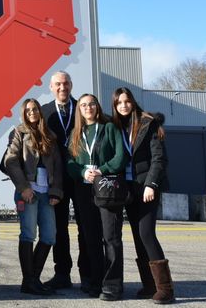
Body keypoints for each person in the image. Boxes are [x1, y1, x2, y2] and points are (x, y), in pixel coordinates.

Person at [111, 87, 174, 304]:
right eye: (119, 102)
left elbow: (159, 159)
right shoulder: (116, 126)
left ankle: (165, 289)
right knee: (138, 236)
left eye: (126, 101)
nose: (123, 105)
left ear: (133, 102)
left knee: (147, 233)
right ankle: (149, 285)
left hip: (147, 188)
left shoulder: (149, 123)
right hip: (129, 189)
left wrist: (151, 185)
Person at [66, 94, 127, 301]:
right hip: (84, 191)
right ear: (79, 110)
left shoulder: (109, 127)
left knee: (111, 238)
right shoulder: (76, 133)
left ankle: (113, 285)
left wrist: (102, 169)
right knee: (90, 238)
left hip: (107, 188)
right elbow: (69, 162)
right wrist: (82, 172)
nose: (88, 108)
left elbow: (120, 157)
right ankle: (96, 281)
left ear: (97, 106)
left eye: (91, 104)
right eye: (83, 105)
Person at [4, 98, 63, 296]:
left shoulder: (50, 136)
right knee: (28, 233)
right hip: (28, 192)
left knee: (49, 235)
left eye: (35, 109)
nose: (32, 112)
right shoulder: (19, 133)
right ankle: (29, 281)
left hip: (47, 193)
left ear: (40, 111)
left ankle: (33, 279)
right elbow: (10, 162)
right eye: (28, 110)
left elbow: (58, 166)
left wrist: (56, 191)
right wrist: (23, 188)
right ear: (24, 112)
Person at [39, 71, 89, 292]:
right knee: (59, 228)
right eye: (58, 84)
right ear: (51, 87)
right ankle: (62, 273)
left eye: (66, 83)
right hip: (56, 180)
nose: (62, 87)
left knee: (85, 227)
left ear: (71, 85)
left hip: (81, 178)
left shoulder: (84, 108)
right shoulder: (43, 112)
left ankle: (87, 274)